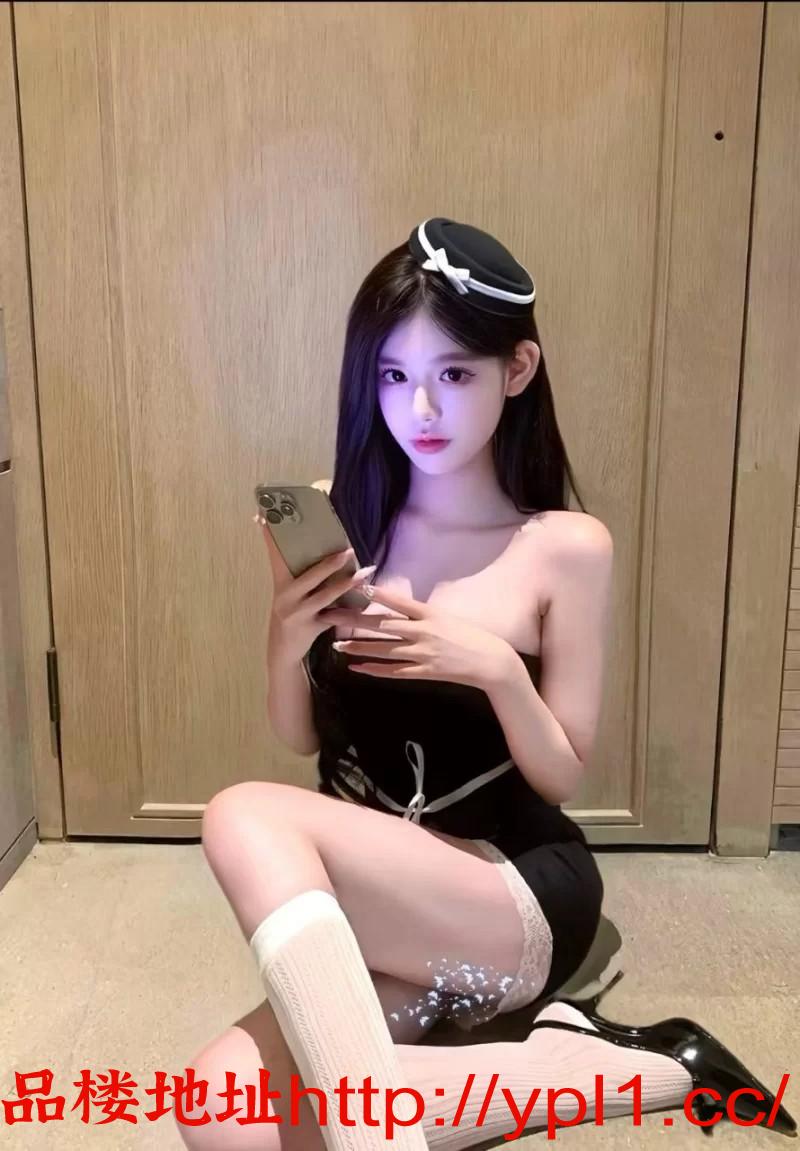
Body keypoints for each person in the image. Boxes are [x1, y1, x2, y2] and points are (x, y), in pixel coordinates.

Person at [179, 219, 796, 1150]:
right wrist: (285, 633)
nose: (420, 407)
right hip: (391, 905)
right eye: (393, 376)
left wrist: (497, 669)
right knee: (214, 1109)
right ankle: (650, 1067)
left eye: (455, 375)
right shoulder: (343, 520)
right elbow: (300, 737)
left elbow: (562, 774)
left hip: (512, 891)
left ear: (517, 369)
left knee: (239, 813)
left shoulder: (564, 548)